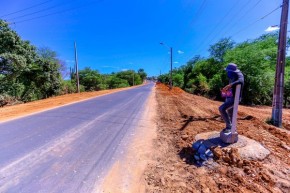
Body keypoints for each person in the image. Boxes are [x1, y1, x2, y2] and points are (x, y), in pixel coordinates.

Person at [219, 63, 244, 133]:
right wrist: (225, 91)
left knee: (221, 108)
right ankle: (232, 127)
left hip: (235, 98)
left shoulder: (239, 74)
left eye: (228, 71)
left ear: (232, 71)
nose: (227, 72)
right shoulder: (231, 76)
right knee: (230, 112)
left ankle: (229, 127)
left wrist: (230, 85)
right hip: (229, 96)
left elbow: (241, 81)